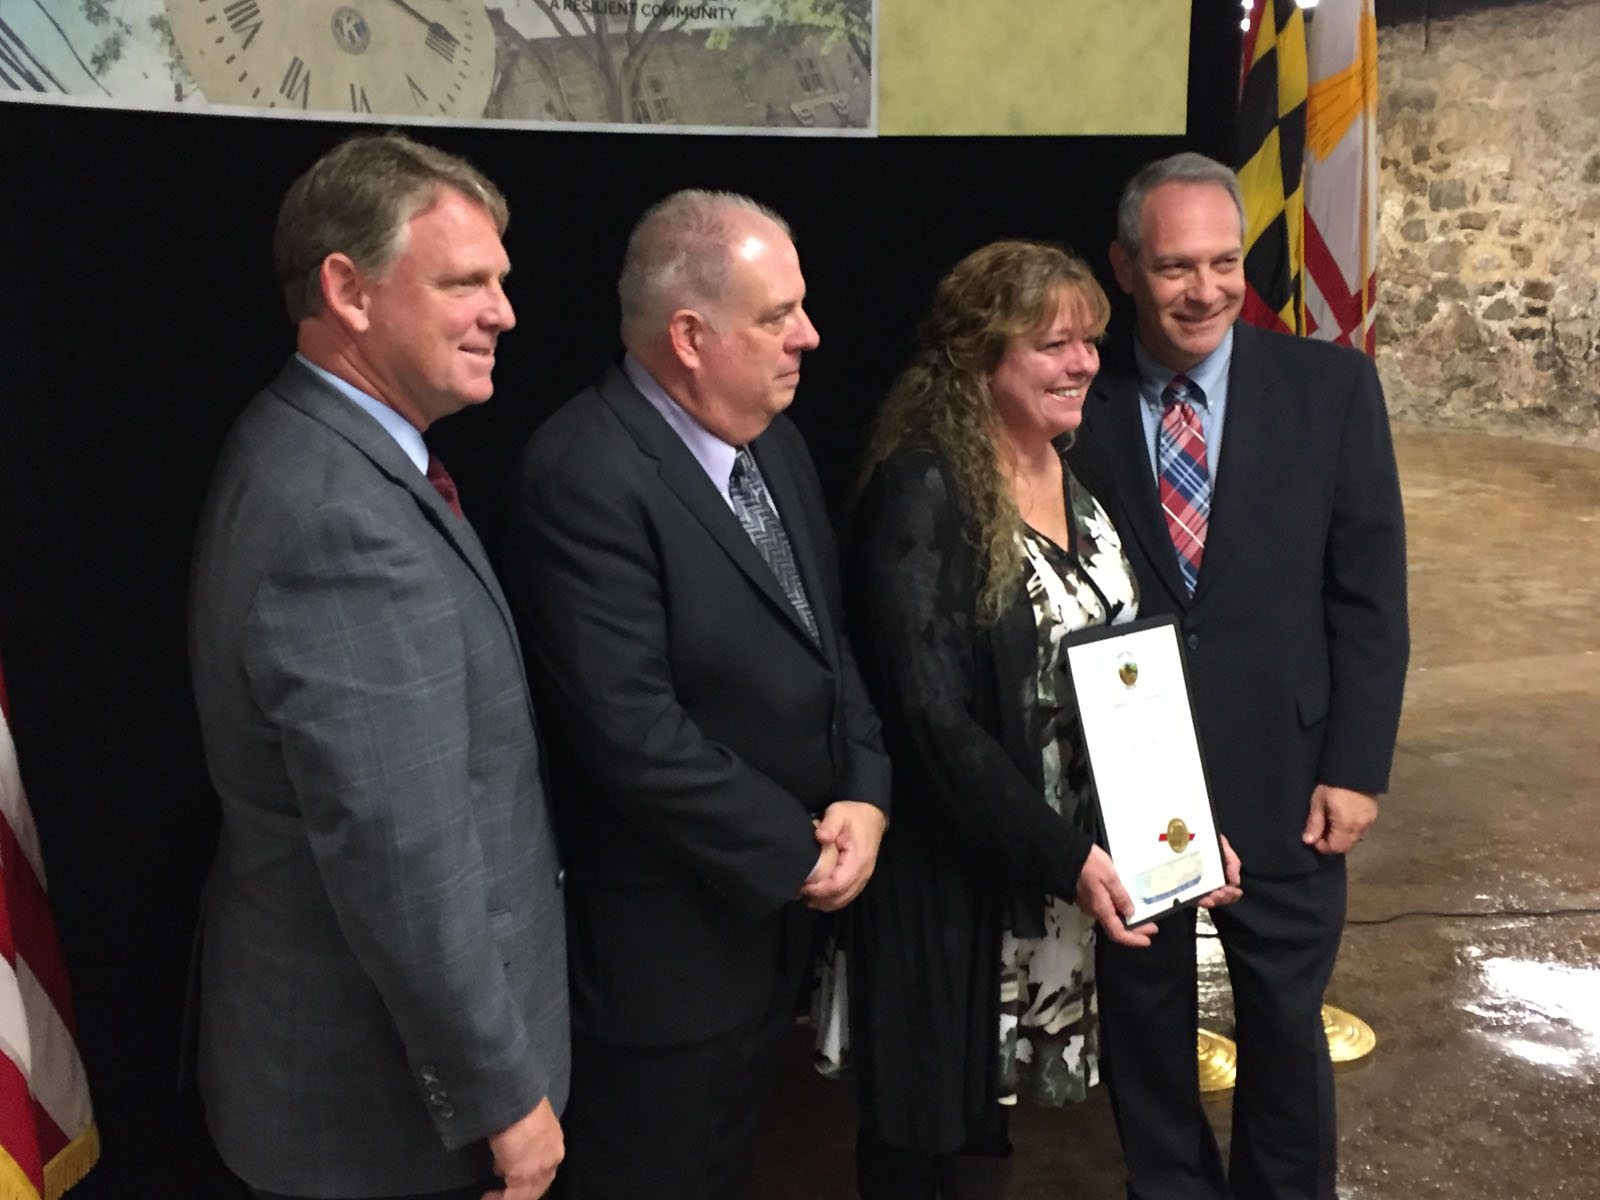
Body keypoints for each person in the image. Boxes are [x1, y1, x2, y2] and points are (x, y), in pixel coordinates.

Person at [187, 133, 569, 1200]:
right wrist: (503, 1096)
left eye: (501, 281)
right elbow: (402, 852)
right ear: (346, 289)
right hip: (387, 1124)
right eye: (465, 283)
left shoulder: (314, 449)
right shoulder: (336, 517)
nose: (503, 312)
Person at [503, 190, 891, 1200]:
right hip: (664, 967)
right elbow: (630, 734)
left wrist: (865, 789)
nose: (808, 335)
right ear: (688, 335)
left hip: (770, 937)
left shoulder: (775, 443)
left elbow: (828, 644)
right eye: (777, 316)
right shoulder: (584, 471)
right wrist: (798, 849)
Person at [846, 240, 1242, 1200]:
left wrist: (1181, 828)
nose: (1085, 364)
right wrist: (1065, 856)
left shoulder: (1077, 472)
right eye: (1053, 345)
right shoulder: (927, 489)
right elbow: (932, 724)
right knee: (939, 1145)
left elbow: (1130, 679)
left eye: (1091, 342)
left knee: (991, 1132)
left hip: (1065, 868)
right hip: (961, 884)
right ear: (980, 359)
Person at [1068, 152, 1409, 1200]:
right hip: (1132, 780)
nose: (1204, 289)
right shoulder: (1071, 395)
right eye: (1175, 267)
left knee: (1281, 1022)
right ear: (1125, 266)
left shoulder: (1330, 386)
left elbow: (1369, 596)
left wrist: (1356, 768)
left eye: (1222, 261)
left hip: (1290, 771)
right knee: (1143, 1021)